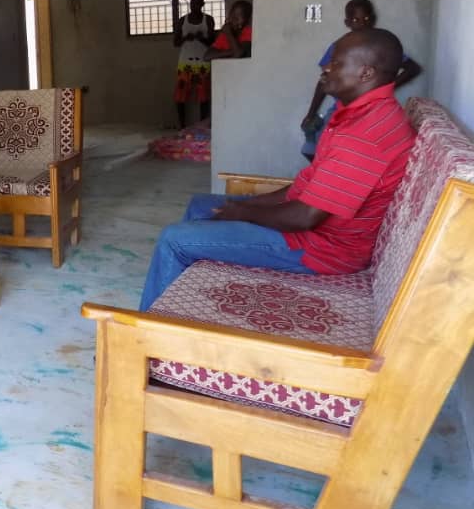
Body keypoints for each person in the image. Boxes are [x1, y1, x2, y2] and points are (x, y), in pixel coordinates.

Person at [140, 28, 414, 311]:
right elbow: (304, 187)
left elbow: (305, 217)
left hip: (320, 250)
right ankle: (183, 306)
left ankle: (146, 331)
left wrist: (244, 213)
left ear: (366, 73)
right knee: (202, 205)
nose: (326, 68)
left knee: (173, 239)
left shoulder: (366, 134)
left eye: (337, 62)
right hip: (316, 231)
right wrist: (248, 205)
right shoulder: (360, 115)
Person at [300, 0, 422, 161]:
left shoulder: (378, 47)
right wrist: (311, 113)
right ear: (347, 22)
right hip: (341, 109)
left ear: (373, 19)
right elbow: (324, 80)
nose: (362, 24)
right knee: (316, 146)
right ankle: (320, 169)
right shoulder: (340, 46)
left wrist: (385, 88)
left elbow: (413, 68)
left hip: (369, 111)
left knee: (342, 150)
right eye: (356, 20)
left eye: (366, 18)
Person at [173, 0, 216, 128]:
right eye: (192, 3)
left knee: (203, 95)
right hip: (185, 63)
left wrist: (200, 38)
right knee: (180, 95)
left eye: (197, 3)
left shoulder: (208, 20)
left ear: (202, 4)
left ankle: (202, 126)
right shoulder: (182, 20)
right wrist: (186, 38)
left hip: (203, 62)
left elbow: (213, 43)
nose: (194, 5)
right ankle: (182, 126)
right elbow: (175, 42)